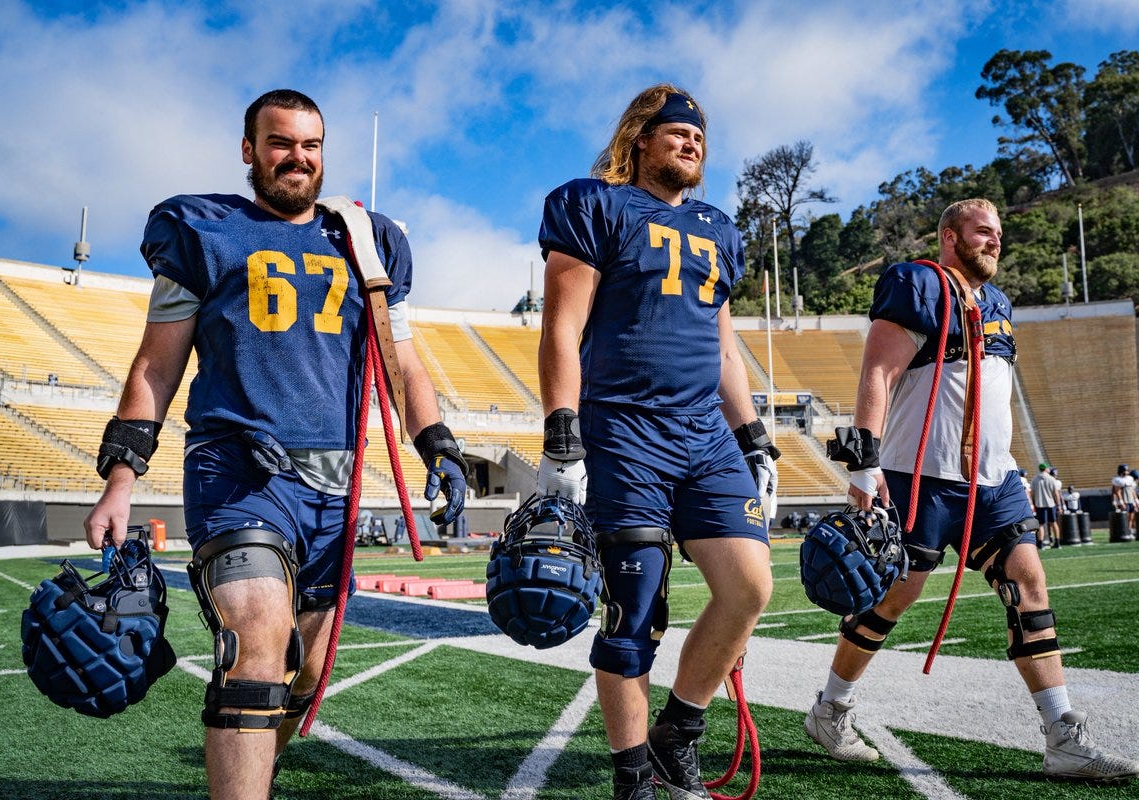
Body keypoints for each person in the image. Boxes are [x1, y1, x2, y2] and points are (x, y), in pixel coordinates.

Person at [83, 89, 468, 800]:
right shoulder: (205, 231)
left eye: (310, 144)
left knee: (308, 670)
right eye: (281, 142)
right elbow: (155, 365)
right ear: (249, 150)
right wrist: (121, 478)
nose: (298, 157)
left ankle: (251, 764)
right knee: (257, 638)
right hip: (239, 472)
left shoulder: (364, 238)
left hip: (336, 488)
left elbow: (403, 361)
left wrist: (437, 442)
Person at [805, 198, 1139, 783]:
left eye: (999, 233)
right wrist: (864, 462)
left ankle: (1063, 735)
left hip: (993, 479)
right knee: (892, 598)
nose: (995, 241)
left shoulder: (1000, 304)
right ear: (949, 237)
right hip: (920, 478)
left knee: (1029, 584)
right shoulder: (917, 282)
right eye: (983, 231)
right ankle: (830, 708)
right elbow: (879, 371)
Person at [537, 83, 778, 800]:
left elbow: (725, 347)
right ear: (641, 138)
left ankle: (679, 731)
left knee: (749, 588)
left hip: (705, 434)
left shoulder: (718, 228)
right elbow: (560, 325)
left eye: (700, 136)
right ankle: (633, 776)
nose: (692, 143)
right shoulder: (596, 204)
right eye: (677, 132)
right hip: (624, 432)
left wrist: (756, 437)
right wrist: (562, 433)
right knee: (635, 614)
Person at [1030, 463, 1060, 549]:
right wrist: (1059, 505)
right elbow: (1056, 493)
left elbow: (1032, 493)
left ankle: (1040, 544)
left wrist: (1034, 501)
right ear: (1046, 469)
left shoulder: (1035, 479)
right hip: (1051, 504)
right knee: (1054, 523)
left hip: (1040, 504)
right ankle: (1057, 543)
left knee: (1041, 525)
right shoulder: (1051, 479)